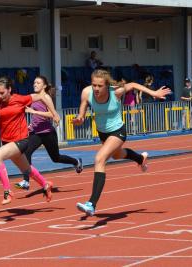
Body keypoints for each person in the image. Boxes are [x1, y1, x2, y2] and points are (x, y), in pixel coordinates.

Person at [73, 69, 171, 216]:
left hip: (118, 131)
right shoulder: (87, 92)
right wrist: (80, 118)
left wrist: (153, 93)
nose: (96, 89)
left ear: (107, 86)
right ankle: (140, 158)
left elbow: (132, 85)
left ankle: (91, 204)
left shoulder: (116, 92)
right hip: (103, 132)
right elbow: (83, 106)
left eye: (100, 86)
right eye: (94, 85)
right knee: (117, 155)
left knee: (99, 159)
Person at [0, 76, 60, 205]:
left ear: (9, 89)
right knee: (27, 170)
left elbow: (42, 96)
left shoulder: (20, 99)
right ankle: (45, 184)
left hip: (21, 140)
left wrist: (54, 113)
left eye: (2, 93)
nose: (0, 96)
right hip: (7, 141)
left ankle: (8, 192)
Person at [14, 76, 83, 191]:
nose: (35, 84)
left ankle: (76, 162)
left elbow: (54, 115)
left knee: (55, 158)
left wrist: (33, 111)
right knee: (26, 153)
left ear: (44, 86)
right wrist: (31, 124)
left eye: (38, 83)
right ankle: (26, 181)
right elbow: (36, 116)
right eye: (34, 82)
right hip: (36, 133)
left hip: (47, 133)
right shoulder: (33, 97)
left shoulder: (46, 97)